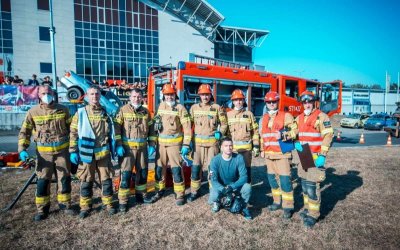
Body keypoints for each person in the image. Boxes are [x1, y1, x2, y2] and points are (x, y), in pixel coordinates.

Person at [18, 85, 74, 221]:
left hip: (62, 153)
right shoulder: (33, 112)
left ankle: (65, 205)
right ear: (38, 95)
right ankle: (42, 209)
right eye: (43, 93)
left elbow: (72, 130)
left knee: (64, 179)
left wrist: (73, 150)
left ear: (53, 93)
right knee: (43, 181)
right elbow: (24, 132)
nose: (46, 95)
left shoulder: (63, 109)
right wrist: (22, 149)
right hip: (43, 155)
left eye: (48, 92)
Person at [69, 86, 117, 218]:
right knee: (86, 180)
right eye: (91, 94)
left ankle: (108, 204)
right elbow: (73, 133)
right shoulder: (80, 113)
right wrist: (73, 151)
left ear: (100, 95)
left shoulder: (106, 112)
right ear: (87, 96)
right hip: (86, 154)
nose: (94, 96)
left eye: (96, 94)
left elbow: (112, 132)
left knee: (106, 180)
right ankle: (85, 207)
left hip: (104, 154)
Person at [144, 83, 192, 206]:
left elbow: (187, 128)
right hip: (160, 145)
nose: (169, 97)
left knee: (176, 169)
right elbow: (155, 127)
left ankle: (180, 193)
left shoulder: (180, 108)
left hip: (175, 144)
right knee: (159, 169)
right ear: (163, 95)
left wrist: (186, 145)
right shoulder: (160, 106)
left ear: (175, 94)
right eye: (167, 95)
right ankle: (159, 190)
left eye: (171, 94)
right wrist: (152, 143)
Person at [294, 90, 334, 228]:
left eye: (309, 101)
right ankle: (307, 208)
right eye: (304, 102)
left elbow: (328, 136)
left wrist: (323, 155)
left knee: (312, 187)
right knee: (304, 185)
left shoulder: (322, 117)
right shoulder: (299, 118)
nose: (307, 104)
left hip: (316, 157)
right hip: (303, 155)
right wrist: (294, 139)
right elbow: (295, 132)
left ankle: (313, 214)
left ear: (314, 102)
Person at [114, 88, 156, 212]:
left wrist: (152, 144)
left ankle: (140, 196)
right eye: (134, 96)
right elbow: (116, 129)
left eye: (139, 96)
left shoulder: (146, 112)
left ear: (142, 98)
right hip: (127, 150)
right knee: (126, 174)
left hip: (142, 149)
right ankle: (123, 201)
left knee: (142, 173)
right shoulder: (122, 110)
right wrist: (118, 144)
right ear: (130, 97)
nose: (136, 99)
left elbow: (152, 130)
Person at [259, 91, 298, 219]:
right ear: (266, 103)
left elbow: (295, 131)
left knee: (285, 181)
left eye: (273, 102)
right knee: (272, 180)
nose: (271, 104)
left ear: (277, 102)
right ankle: (277, 202)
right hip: (269, 155)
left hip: (282, 154)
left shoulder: (286, 115)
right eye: (269, 102)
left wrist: (283, 135)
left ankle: (288, 206)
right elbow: (261, 136)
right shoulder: (263, 118)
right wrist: (261, 149)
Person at [188, 84, 228, 202]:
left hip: (212, 144)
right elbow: (188, 125)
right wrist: (188, 141)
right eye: (203, 95)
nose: (205, 97)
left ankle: (214, 191)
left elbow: (224, 124)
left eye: (207, 94)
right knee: (196, 168)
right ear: (199, 95)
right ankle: (195, 191)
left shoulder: (217, 108)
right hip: (197, 144)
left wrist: (220, 133)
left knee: (213, 169)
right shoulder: (194, 108)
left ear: (211, 95)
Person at [208, 137, 252, 220]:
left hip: (233, 186)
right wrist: (223, 189)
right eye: (226, 146)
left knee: (247, 187)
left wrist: (232, 187)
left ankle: (244, 207)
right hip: (221, 186)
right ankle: (217, 202)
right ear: (221, 147)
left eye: (230, 145)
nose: (229, 148)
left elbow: (244, 177)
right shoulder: (215, 160)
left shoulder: (239, 158)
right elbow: (213, 180)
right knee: (214, 195)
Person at [226, 89, 260, 183]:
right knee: (233, 171)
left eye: (240, 99)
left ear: (244, 101)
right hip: (232, 149)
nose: (238, 102)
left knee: (246, 170)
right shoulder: (228, 115)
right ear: (232, 101)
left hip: (246, 150)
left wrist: (256, 145)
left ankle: (247, 190)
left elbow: (255, 131)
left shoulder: (249, 114)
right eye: (236, 100)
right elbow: (225, 134)